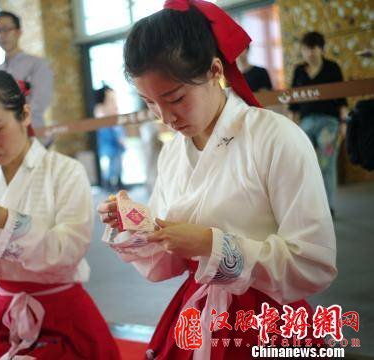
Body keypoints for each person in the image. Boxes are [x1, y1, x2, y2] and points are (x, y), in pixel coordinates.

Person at [97, 2, 336, 359]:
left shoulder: (275, 137)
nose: (165, 118)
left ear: (214, 71)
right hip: (197, 310)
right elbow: (168, 264)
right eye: (149, 103)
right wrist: (138, 225)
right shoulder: (174, 153)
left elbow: (313, 265)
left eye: (175, 98)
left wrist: (212, 245)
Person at [0, 70, 119, 359]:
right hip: (4, 314)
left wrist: (6, 221)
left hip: (62, 314)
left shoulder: (65, 171)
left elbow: (69, 251)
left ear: (24, 115)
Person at [290, 31, 348, 217]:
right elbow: (293, 103)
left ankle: (327, 208)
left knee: (326, 164)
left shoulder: (333, 68)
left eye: (313, 48)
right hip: (305, 123)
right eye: (306, 49)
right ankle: (307, 208)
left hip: (328, 122)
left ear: (321, 49)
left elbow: (342, 99)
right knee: (301, 165)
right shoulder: (299, 70)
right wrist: (291, 126)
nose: (310, 53)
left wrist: (343, 123)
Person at [0, 11, 54, 143]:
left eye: (6, 29)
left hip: (35, 136)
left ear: (19, 32)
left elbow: (40, 101)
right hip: (6, 139)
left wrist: (9, 118)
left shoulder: (38, 65)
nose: (2, 35)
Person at [94, 85, 125, 191]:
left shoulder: (115, 121)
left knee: (117, 165)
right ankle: (110, 183)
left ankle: (117, 182)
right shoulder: (102, 123)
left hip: (115, 149)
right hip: (109, 149)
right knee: (111, 166)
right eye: (112, 101)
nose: (116, 106)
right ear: (100, 106)